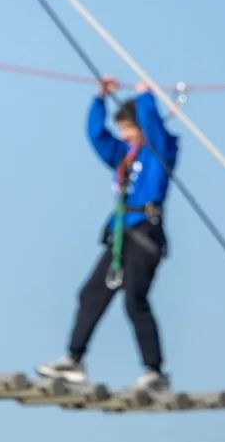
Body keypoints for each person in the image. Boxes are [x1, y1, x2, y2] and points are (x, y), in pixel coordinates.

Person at [36, 76, 179, 392]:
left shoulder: (160, 152)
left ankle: (154, 372)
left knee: (134, 301)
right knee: (91, 294)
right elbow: (97, 136)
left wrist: (144, 98)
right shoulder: (126, 157)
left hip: (145, 234)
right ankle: (74, 359)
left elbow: (154, 130)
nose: (125, 136)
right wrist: (99, 99)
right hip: (122, 236)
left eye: (129, 129)